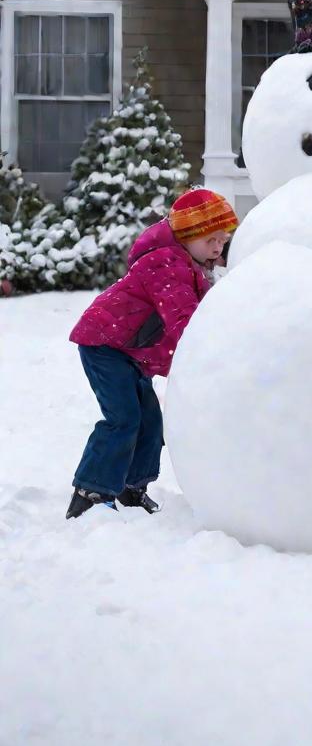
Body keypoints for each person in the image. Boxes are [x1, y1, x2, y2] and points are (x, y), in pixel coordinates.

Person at [65, 188, 238, 519]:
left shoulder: (194, 266)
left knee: (150, 420)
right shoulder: (165, 264)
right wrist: (210, 359)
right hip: (105, 345)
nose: (218, 247)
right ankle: (91, 492)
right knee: (124, 418)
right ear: (187, 236)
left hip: (130, 353)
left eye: (222, 239)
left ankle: (132, 488)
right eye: (210, 239)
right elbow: (185, 322)